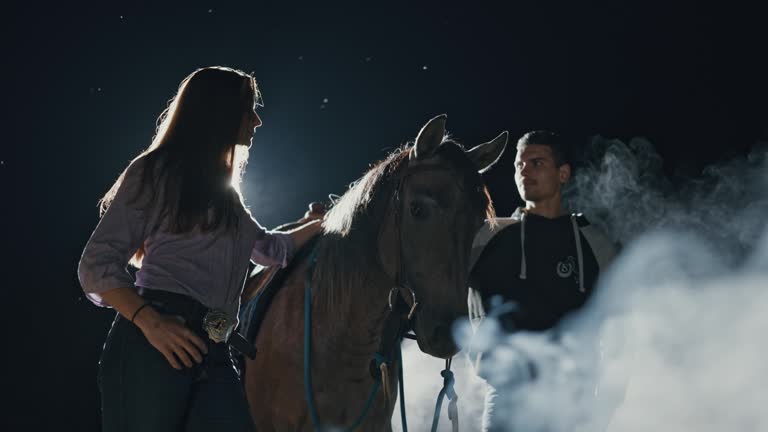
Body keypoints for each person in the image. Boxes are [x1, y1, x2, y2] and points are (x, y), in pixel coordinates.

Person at [78, 66, 323, 432]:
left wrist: (324, 222)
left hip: (216, 350)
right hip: (156, 342)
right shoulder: (153, 172)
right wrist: (151, 322)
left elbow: (272, 248)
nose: (256, 121)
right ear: (220, 111)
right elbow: (95, 265)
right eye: (248, 109)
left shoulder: (229, 199)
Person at [467, 130, 618, 431]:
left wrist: (612, 396)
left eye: (537, 163)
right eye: (518, 165)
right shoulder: (487, 237)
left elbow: (620, 325)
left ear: (563, 174)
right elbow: (433, 283)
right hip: (507, 398)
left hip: (574, 399)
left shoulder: (594, 242)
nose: (525, 170)